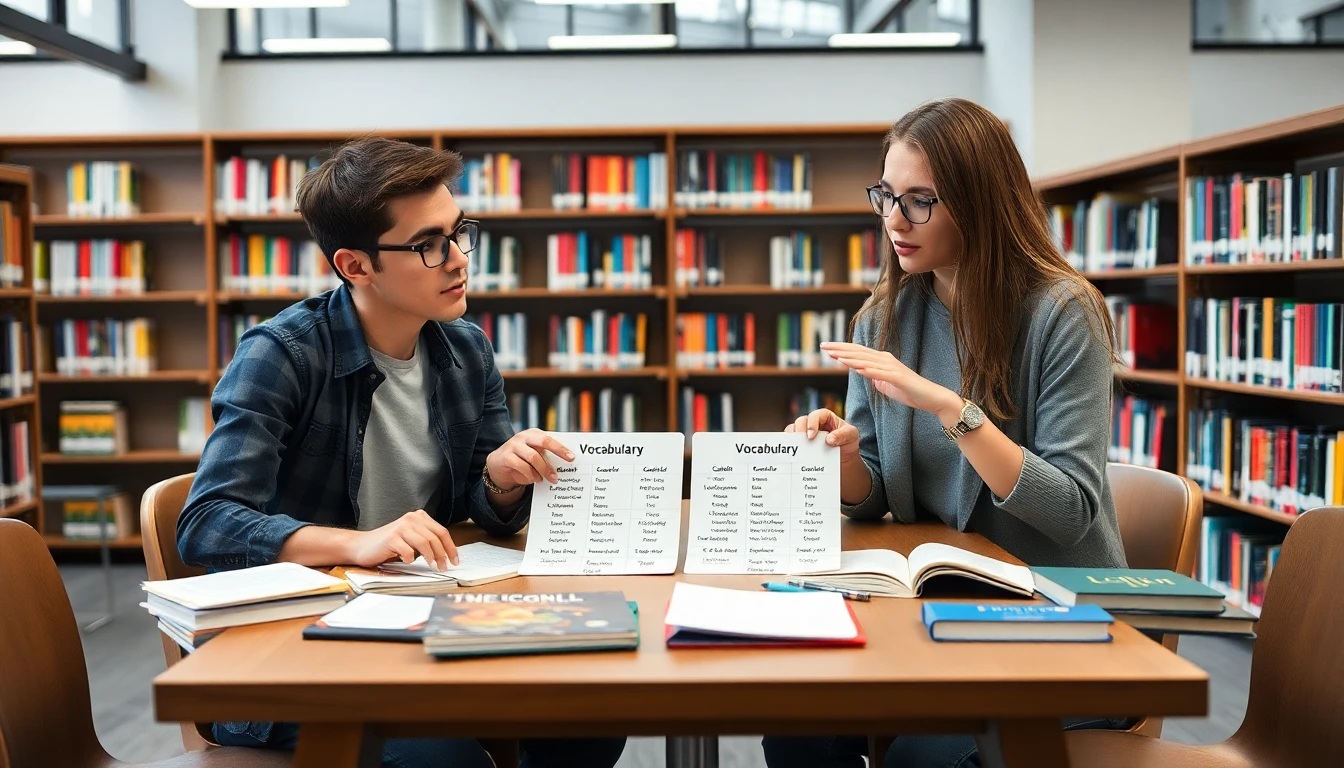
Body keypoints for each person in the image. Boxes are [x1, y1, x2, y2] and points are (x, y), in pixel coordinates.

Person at [177, 136, 626, 768]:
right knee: (442, 759)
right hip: (291, 649)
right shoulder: (282, 355)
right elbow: (206, 523)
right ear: (355, 266)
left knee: (588, 719)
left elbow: (486, 512)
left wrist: (500, 479)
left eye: (458, 232)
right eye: (428, 245)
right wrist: (353, 542)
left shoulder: (465, 350)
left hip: (421, 620)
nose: (457, 260)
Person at [762, 97, 1131, 768]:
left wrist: (949, 408)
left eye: (920, 201)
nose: (894, 220)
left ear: (981, 202)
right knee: (798, 725)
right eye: (886, 195)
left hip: (1059, 619)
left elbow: (1070, 511)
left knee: (921, 758)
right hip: (940, 613)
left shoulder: (1062, 313)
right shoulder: (883, 318)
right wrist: (846, 458)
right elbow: (873, 497)